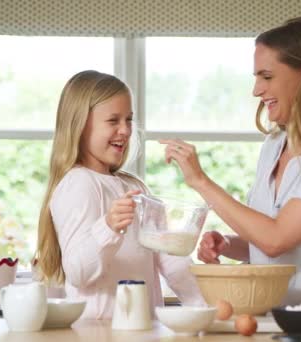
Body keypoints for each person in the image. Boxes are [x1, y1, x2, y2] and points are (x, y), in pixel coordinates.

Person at [160, 17, 301, 310]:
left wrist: (200, 181)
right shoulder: (274, 145)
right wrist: (231, 244)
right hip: (276, 320)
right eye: (256, 77)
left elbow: (277, 240)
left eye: (267, 77)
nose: (256, 90)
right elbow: (267, 240)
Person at [36, 70, 204, 319]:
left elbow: (171, 260)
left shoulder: (132, 186)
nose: (125, 130)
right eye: (113, 120)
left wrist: (205, 307)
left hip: (143, 332)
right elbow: (78, 273)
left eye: (129, 119)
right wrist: (108, 227)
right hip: (97, 334)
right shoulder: (78, 184)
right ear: (80, 125)